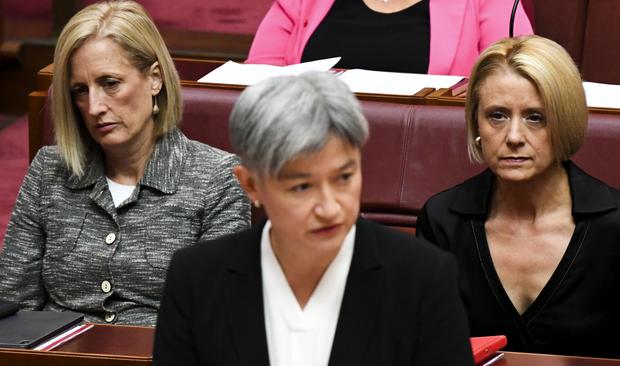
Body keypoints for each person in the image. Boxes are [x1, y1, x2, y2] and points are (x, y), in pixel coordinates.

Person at [153, 72, 474, 366]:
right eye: (302, 186)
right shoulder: (196, 279)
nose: (329, 207)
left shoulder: (423, 279)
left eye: (344, 178)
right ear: (251, 185)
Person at [0, 1, 250, 326]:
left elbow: (216, 317)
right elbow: (11, 305)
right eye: (80, 90)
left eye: (110, 83)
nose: (94, 107)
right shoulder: (51, 169)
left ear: (155, 80)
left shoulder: (217, 178)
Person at [416, 35, 620, 360]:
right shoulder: (442, 220)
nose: (513, 137)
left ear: (565, 120)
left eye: (535, 117)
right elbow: (426, 349)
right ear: (476, 122)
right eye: (497, 115)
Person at [246, 0, 533, 75]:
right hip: (302, 158)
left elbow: (520, 78)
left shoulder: (490, 2)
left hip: (433, 158)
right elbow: (254, 84)